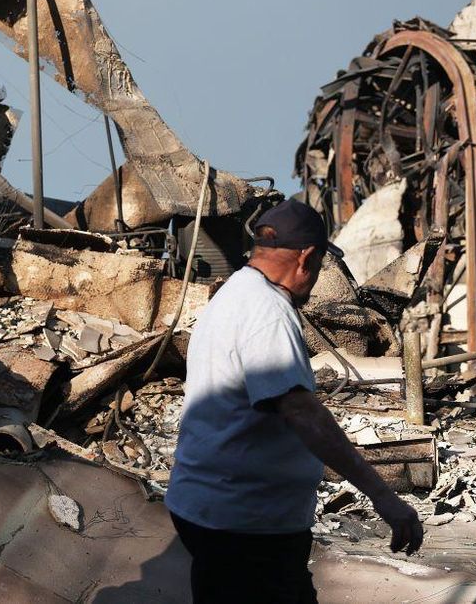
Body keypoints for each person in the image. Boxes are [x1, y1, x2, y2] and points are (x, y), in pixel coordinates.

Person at [166, 198, 423, 604]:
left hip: (213, 510)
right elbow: (303, 414)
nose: (316, 278)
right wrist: (382, 495)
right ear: (305, 258)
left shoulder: (234, 292)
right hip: (245, 523)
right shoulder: (267, 311)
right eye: (319, 266)